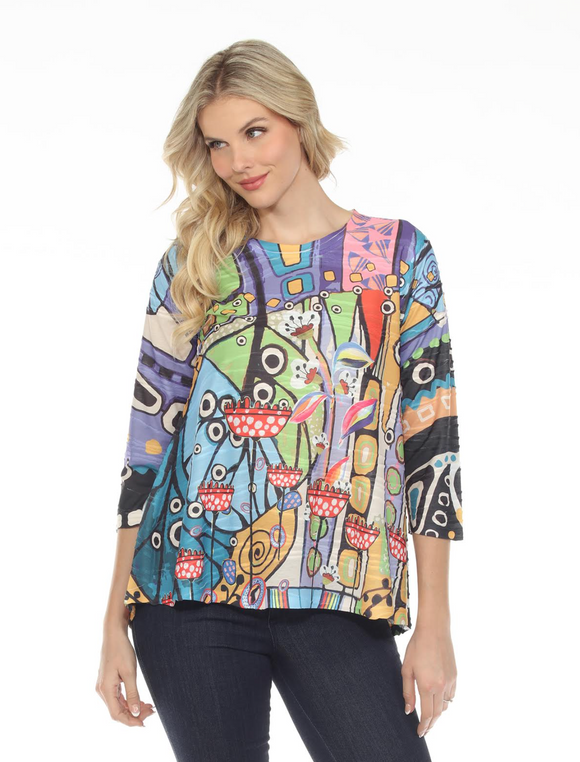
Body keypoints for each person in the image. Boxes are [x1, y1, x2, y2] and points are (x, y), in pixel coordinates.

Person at [96, 39, 464, 762]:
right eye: (218, 144)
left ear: (300, 120)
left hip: (339, 592)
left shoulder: (396, 255)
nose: (238, 161)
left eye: (254, 132)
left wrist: (436, 623)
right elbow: (150, 441)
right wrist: (114, 620)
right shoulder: (197, 261)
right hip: (187, 593)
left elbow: (432, 444)